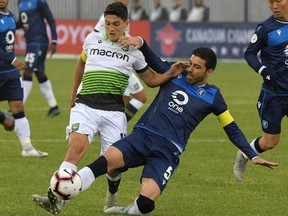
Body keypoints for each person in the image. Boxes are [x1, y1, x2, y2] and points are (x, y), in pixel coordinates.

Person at [33, 34, 278, 215]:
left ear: (209, 71)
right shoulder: (175, 74)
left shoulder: (214, 96)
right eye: (190, 63)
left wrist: (251, 154)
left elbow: (231, 127)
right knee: (103, 162)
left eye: (197, 67)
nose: (190, 69)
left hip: (168, 152)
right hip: (142, 137)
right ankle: (60, 196)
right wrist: (141, 41)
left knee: (146, 205)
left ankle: (125, 210)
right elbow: (153, 60)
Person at [32, 2, 183, 214]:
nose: (111, 28)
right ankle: (56, 197)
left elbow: (150, 80)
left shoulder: (134, 51)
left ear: (126, 24)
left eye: (116, 24)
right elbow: (81, 64)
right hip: (86, 105)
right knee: (76, 148)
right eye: (108, 23)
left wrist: (170, 74)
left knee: (114, 165)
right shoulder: (91, 39)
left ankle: (112, 195)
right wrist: (74, 92)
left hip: (114, 112)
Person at [233, 0, 288, 182]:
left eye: (278, 1)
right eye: (270, 2)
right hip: (273, 96)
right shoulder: (266, 28)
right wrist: (263, 71)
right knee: (271, 142)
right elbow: (249, 53)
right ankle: (244, 153)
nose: (274, 6)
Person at [0, 0, 48, 157]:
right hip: (6, 66)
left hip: (9, 72)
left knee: (18, 106)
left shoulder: (12, 18)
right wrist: (13, 59)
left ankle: (27, 148)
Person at [94, 0, 147, 122]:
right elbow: (95, 35)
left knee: (129, 99)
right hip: (115, 62)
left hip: (123, 61)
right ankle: (115, 125)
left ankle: (115, 126)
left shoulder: (125, 12)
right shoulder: (108, 17)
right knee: (139, 97)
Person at [16, 0, 60, 118]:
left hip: (39, 42)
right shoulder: (20, 2)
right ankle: (54, 106)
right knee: (39, 72)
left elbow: (50, 19)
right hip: (30, 42)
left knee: (27, 70)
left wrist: (54, 40)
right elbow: (23, 21)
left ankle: (18, 107)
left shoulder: (39, 2)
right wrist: (10, 26)